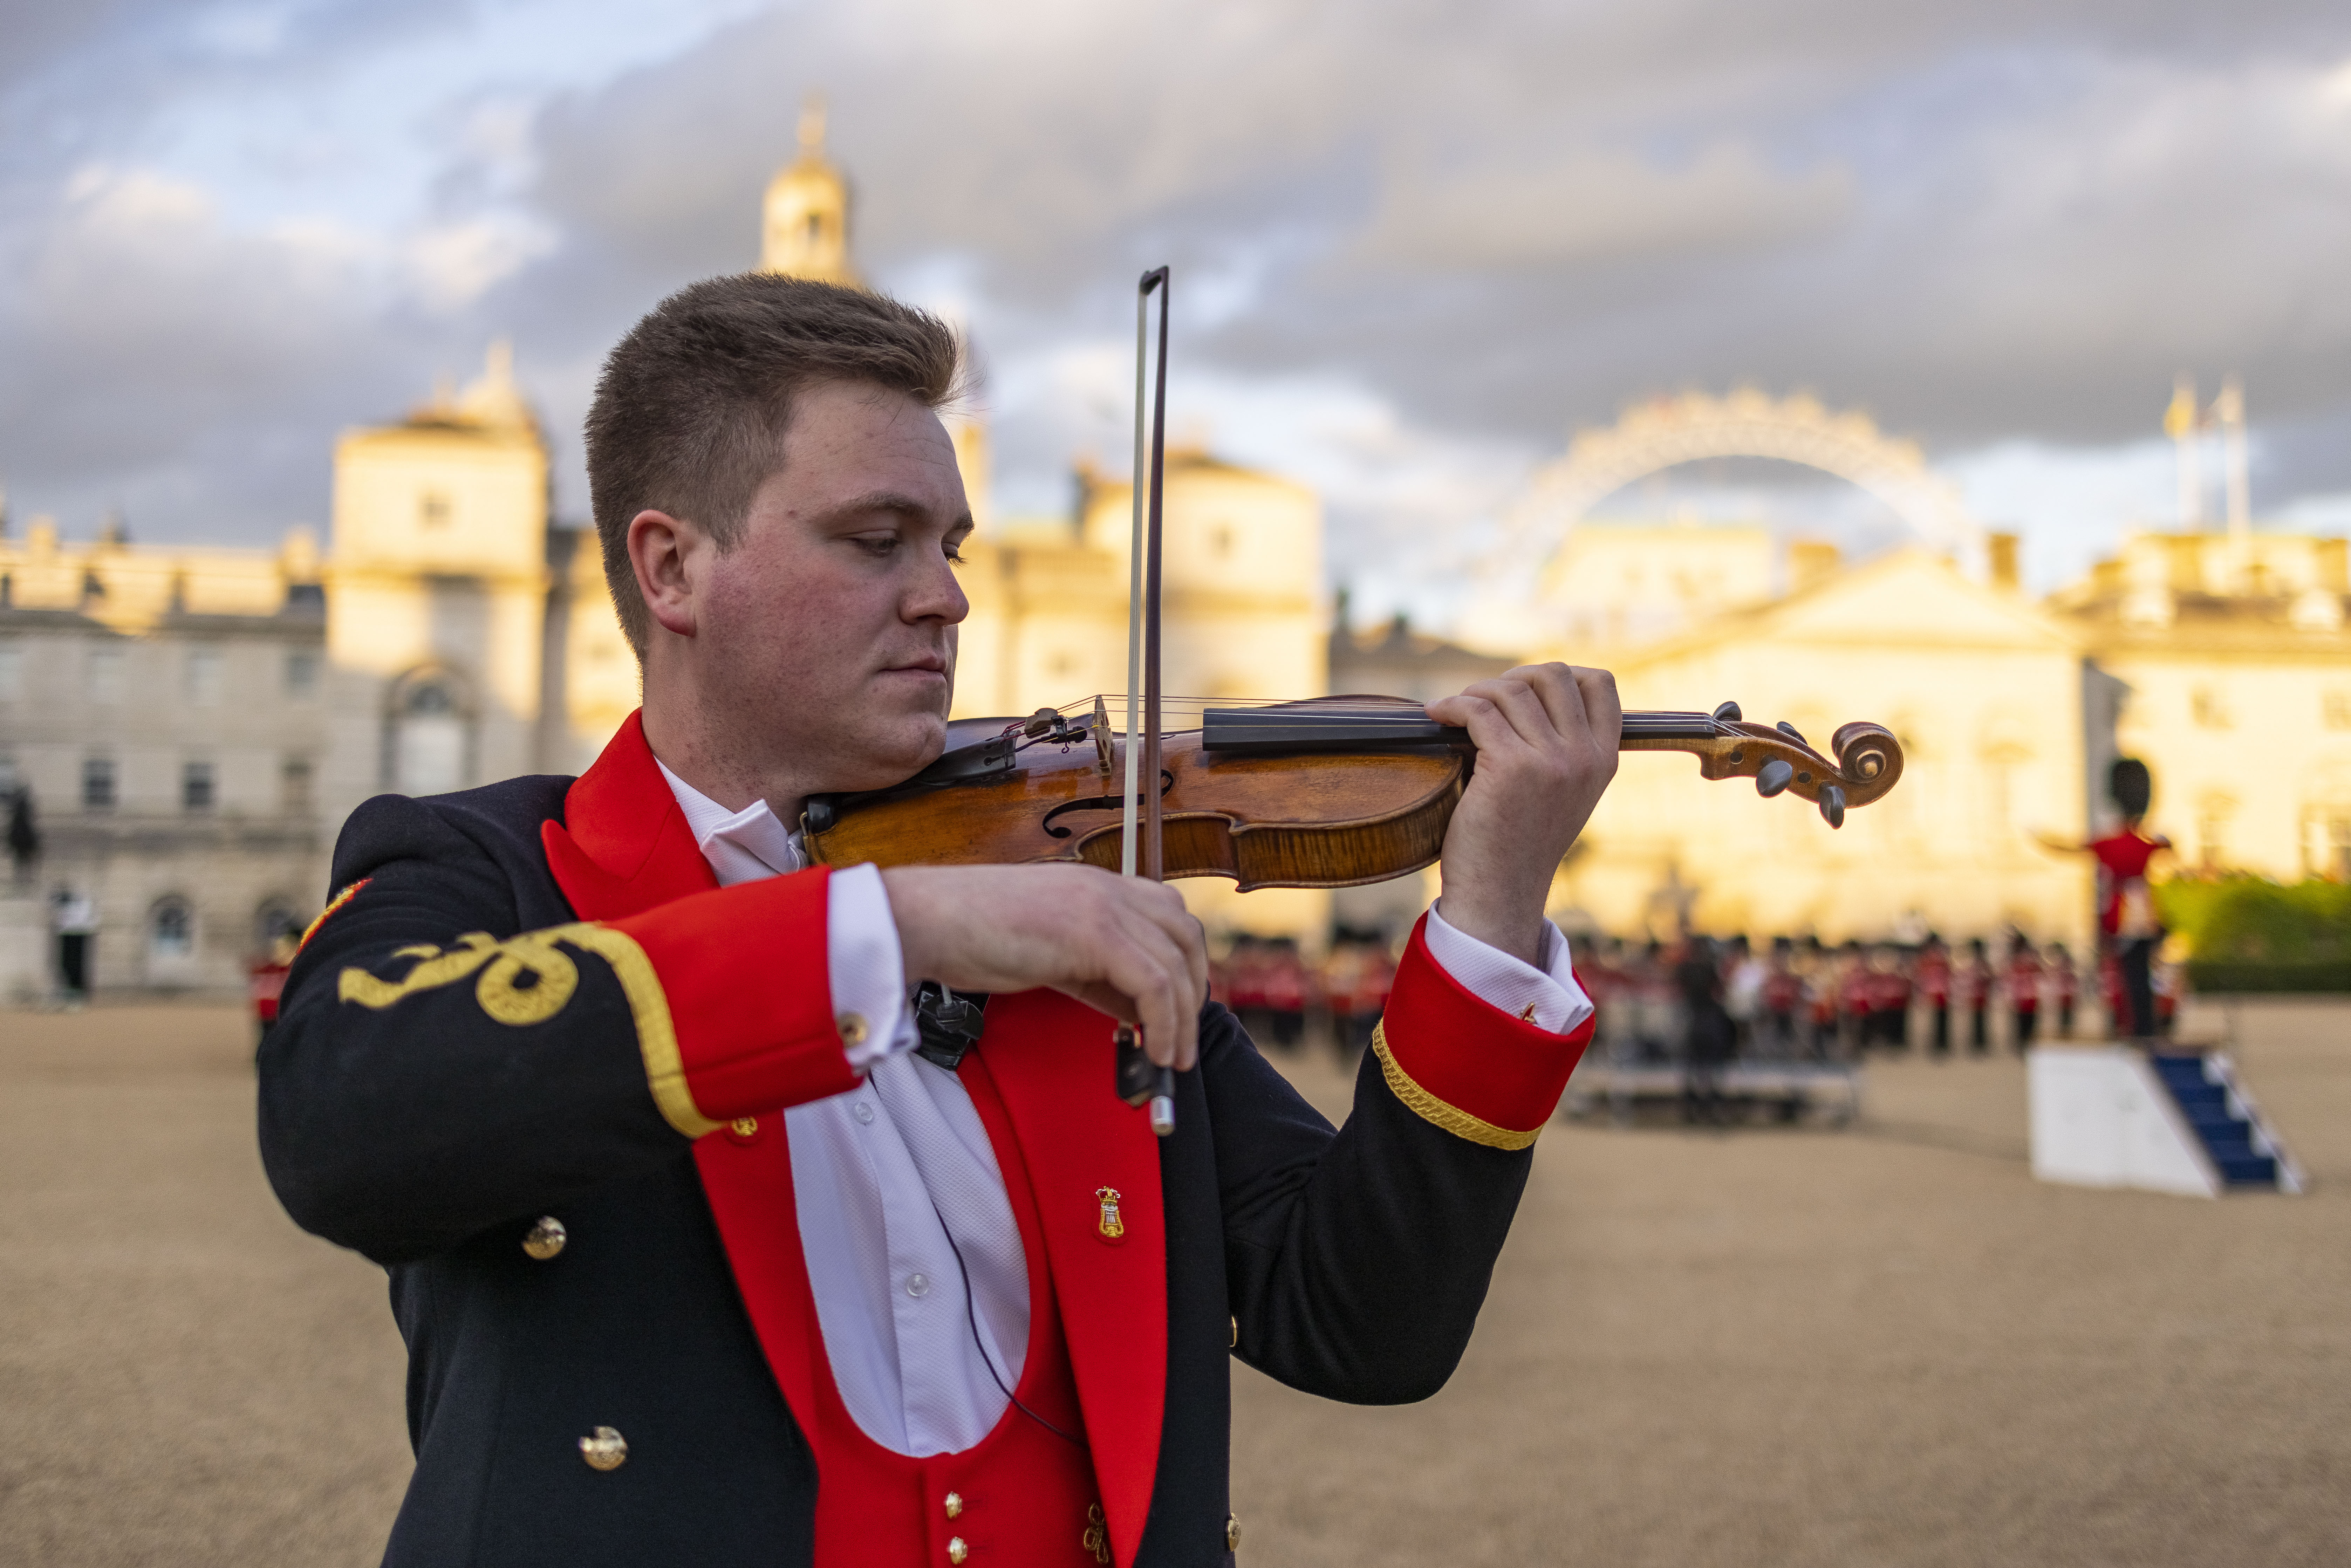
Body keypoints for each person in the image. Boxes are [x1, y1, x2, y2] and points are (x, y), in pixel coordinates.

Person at [257, 274, 1623, 1568]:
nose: (950, 594)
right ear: (671, 570)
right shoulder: (486, 868)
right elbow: (343, 1119)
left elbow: (1363, 1319)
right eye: (876, 539)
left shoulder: (1075, 909)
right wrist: (889, 930)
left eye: (953, 544)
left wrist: (1492, 910)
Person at [2038, 757, 2171, 1040]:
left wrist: (2041, 839)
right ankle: (2146, 1025)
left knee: (2125, 974)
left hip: (2121, 913)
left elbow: (2069, 847)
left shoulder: (2109, 843)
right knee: (2142, 973)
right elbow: (2169, 849)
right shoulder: (2146, 843)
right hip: (2144, 912)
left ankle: (2131, 1025)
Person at [1676, 935, 1736, 1125]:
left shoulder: (1686, 969)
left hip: (1694, 1021)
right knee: (1709, 1068)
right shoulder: (1709, 969)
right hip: (1707, 1023)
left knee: (1695, 1068)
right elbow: (1719, 993)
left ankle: (1693, 1109)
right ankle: (1709, 1108)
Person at [52, 886, 96, 1008]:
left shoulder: (82, 903)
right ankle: (70, 993)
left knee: (77, 965)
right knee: (66, 964)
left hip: (78, 934)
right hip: (67, 933)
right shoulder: (65, 903)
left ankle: (77, 996)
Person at [1916, 936, 1952, 1059]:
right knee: (1934, 1021)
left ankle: (1941, 1044)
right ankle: (1937, 1044)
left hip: (1941, 993)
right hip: (1934, 993)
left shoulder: (1940, 960)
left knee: (1941, 1020)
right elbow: (1922, 979)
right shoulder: (1928, 961)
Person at [2007, 935, 2043, 1054]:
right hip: (2024, 998)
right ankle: (2023, 1045)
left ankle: (2026, 1045)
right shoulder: (2019, 964)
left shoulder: (2029, 963)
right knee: (2023, 1024)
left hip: (2029, 998)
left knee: (2027, 1024)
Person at [2047, 941, 2079, 1038]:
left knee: (2067, 1014)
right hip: (2064, 992)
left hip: (2067, 992)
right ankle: (2064, 1032)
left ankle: (2067, 1032)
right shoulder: (2061, 963)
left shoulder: (2065, 963)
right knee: (2063, 1014)